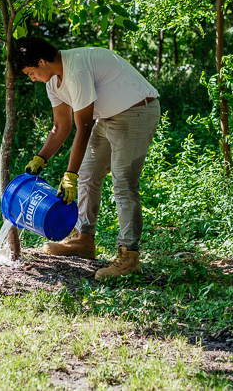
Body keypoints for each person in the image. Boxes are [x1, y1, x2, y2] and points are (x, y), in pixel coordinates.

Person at [10, 36, 160, 280]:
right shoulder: (53, 83)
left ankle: (129, 255)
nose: (32, 78)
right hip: (109, 116)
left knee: (123, 183)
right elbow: (61, 127)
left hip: (136, 111)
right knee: (88, 177)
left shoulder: (76, 69)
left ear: (41, 61)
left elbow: (84, 127)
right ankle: (85, 240)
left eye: (30, 72)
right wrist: (40, 158)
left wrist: (69, 173)